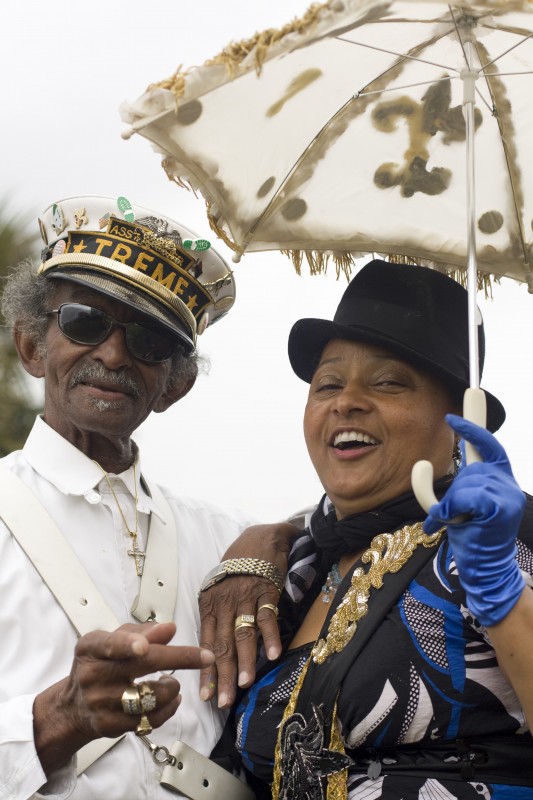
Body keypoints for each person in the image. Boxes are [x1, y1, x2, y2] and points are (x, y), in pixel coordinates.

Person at [0, 195, 294, 800]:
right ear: (31, 345)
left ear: (175, 385)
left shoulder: (227, 539)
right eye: (84, 321)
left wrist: (281, 534)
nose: (113, 353)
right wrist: (57, 719)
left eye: (148, 341)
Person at [212, 260, 533, 799]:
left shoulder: (504, 533)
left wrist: (501, 594)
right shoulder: (298, 566)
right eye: (327, 384)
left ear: (461, 419)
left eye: (388, 383)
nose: (346, 401)